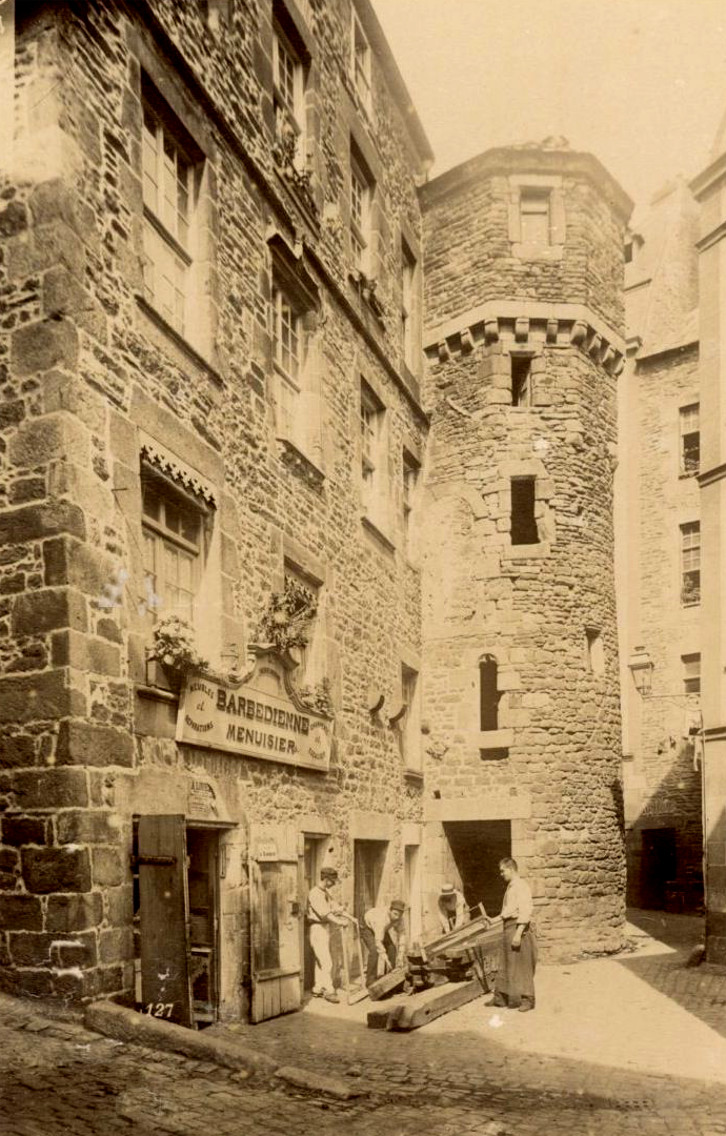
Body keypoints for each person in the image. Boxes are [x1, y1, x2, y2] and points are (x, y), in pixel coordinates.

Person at [488, 857, 537, 1012]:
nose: (501, 874)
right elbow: (508, 911)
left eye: (503, 871)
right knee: (506, 963)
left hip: (517, 929)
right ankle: (501, 997)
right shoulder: (511, 887)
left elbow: (525, 911)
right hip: (508, 927)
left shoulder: (521, 886)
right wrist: (493, 920)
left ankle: (527, 999)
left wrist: (518, 934)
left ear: (511, 869)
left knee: (522, 965)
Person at [306, 867, 348, 1003]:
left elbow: (332, 907)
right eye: (332, 881)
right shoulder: (315, 893)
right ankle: (329, 991)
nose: (334, 883)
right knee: (327, 962)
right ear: (326, 879)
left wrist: (341, 910)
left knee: (321, 961)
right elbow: (325, 913)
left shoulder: (325, 893)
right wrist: (340, 922)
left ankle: (317, 988)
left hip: (324, 928)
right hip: (317, 928)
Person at [360, 899, 406, 987]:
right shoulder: (381, 919)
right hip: (367, 926)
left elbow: (402, 935)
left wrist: (400, 955)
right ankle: (370, 980)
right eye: (395, 914)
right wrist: (386, 959)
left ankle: (390, 977)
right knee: (374, 951)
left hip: (381, 929)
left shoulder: (400, 918)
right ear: (390, 910)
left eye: (399, 915)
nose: (397, 917)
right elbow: (378, 942)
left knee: (392, 948)